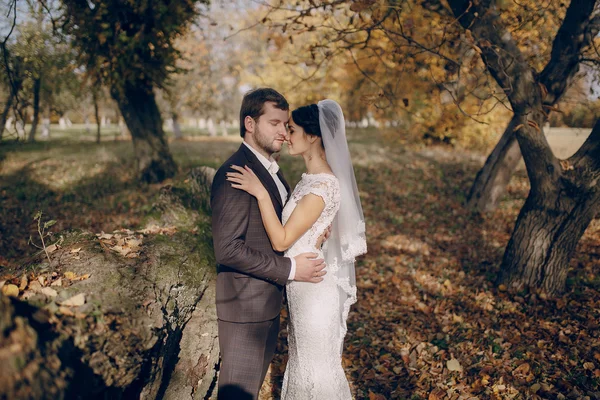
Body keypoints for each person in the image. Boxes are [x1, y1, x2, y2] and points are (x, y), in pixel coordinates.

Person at [227, 99, 367, 399]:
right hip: (302, 286)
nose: (286, 135)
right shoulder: (310, 181)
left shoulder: (321, 186)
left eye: (292, 129)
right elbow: (310, 226)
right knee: (304, 364)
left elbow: (281, 240)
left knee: (315, 369)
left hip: (313, 292)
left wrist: (261, 194)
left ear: (313, 136)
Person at [210, 88, 329, 400]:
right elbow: (228, 249)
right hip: (244, 309)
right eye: (274, 123)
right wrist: (290, 269)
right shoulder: (234, 174)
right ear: (250, 124)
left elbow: (280, 226)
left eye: (286, 124)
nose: (283, 131)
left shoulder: (271, 171)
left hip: (267, 304)